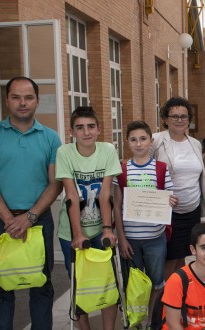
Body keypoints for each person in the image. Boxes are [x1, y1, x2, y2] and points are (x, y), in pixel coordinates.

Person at [0, 77, 62, 329]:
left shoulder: (50, 138)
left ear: (37, 100)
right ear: (7, 100)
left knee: (42, 284)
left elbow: (54, 183)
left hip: (38, 220)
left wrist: (30, 217)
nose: (22, 103)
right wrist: (9, 220)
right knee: (0, 288)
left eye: (28, 97)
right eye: (16, 97)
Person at [55, 106, 122, 329]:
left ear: (99, 129)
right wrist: (77, 234)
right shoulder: (64, 152)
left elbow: (105, 193)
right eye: (80, 127)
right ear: (72, 131)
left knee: (107, 283)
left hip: (99, 229)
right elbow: (71, 195)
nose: (86, 132)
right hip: (72, 231)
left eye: (91, 126)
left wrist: (107, 229)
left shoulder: (107, 150)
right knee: (79, 284)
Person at [113, 120, 179, 326]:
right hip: (131, 239)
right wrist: (121, 239)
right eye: (133, 139)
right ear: (127, 142)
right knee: (133, 284)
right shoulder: (121, 170)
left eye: (143, 139)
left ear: (151, 140)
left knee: (156, 283)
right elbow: (116, 206)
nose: (139, 144)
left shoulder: (160, 168)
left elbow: (170, 197)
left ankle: (151, 319)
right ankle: (135, 321)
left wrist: (171, 201)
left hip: (155, 238)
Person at [152, 97, 205, 279]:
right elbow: (146, 171)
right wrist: (158, 197)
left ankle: (177, 298)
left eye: (183, 116)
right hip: (168, 212)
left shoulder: (195, 144)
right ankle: (163, 302)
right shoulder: (156, 141)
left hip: (192, 210)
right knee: (169, 260)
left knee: (182, 258)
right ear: (165, 119)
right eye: (174, 116)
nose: (180, 120)